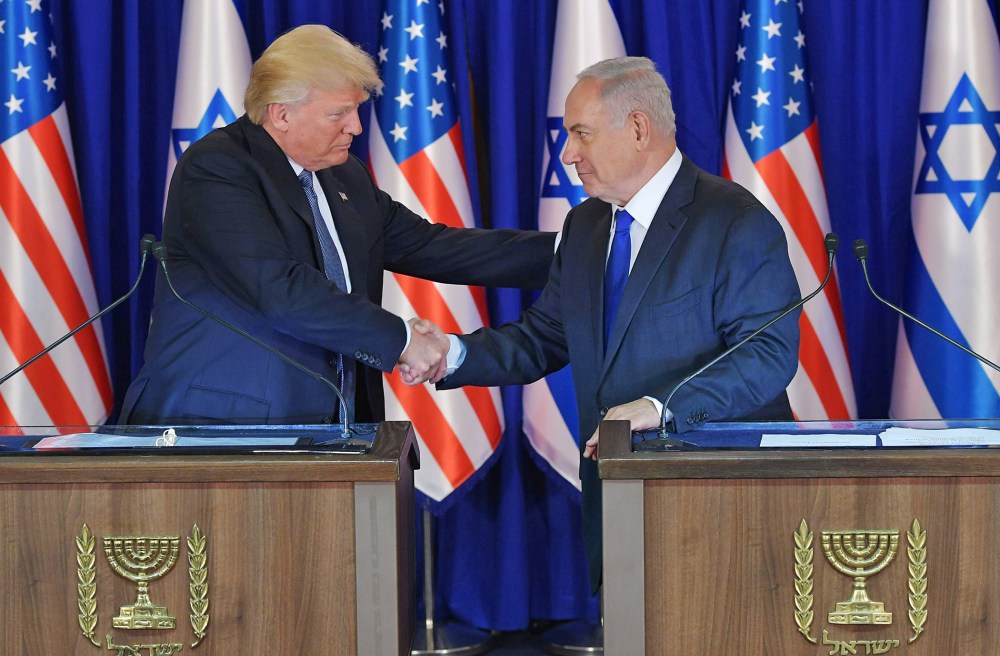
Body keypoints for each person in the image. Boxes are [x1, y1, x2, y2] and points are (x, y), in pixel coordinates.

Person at [429, 56, 801, 589]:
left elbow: (766, 355)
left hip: (718, 495)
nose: (567, 154)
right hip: (617, 489)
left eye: (581, 134)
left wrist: (661, 407)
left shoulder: (733, 221)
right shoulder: (585, 224)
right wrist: (452, 354)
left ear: (639, 129)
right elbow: (545, 337)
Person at [119, 25, 554, 426]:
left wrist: (576, 249)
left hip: (334, 429)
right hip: (223, 429)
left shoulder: (343, 175)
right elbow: (282, 291)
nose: (356, 127)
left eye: (357, 110)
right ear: (281, 114)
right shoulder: (217, 168)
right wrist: (403, 340)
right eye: (339, 114)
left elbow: (433, 246)